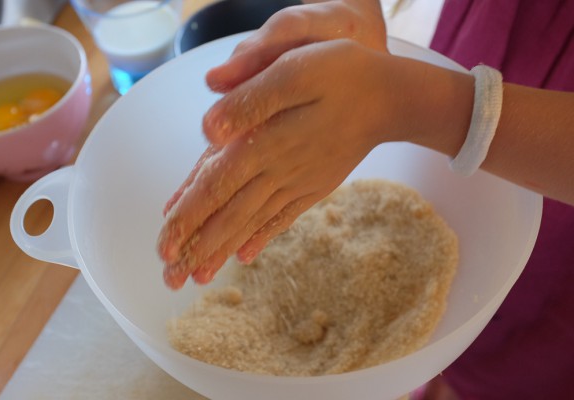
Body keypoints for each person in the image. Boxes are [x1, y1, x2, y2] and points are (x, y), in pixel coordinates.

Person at [158, 0, 574, 398]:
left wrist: (413, 103)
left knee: (514, 355)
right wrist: (353, 14)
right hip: (488, 35)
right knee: (455, 328)